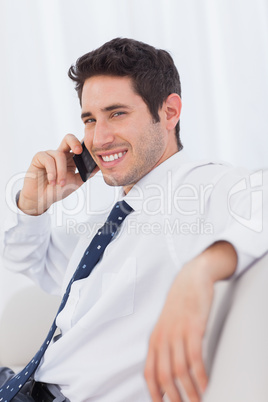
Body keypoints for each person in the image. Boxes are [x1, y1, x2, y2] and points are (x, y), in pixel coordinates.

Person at [1, 37, 267, 402]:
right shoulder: (108, 222)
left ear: (170, 112)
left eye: (117, 113)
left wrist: (200, 271)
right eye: (90, 119)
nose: (99, 138)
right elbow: (28, 261)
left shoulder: (202, 187)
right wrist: (33, 205)